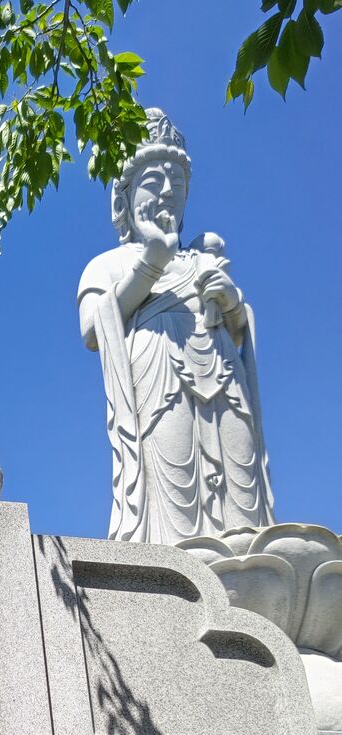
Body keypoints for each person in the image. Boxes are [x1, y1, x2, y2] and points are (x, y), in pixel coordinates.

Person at [78, 108, 274, 543]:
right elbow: (93, 328)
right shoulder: (109, 264)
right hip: (160, 383)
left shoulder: (203, 259)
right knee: (175, 490)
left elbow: (239, 330)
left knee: (244, 492)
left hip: (226, 378)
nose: (168, 192)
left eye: (178, 184)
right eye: (153, 181)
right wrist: (152, 262)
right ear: (124, 198)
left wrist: (233, 304)